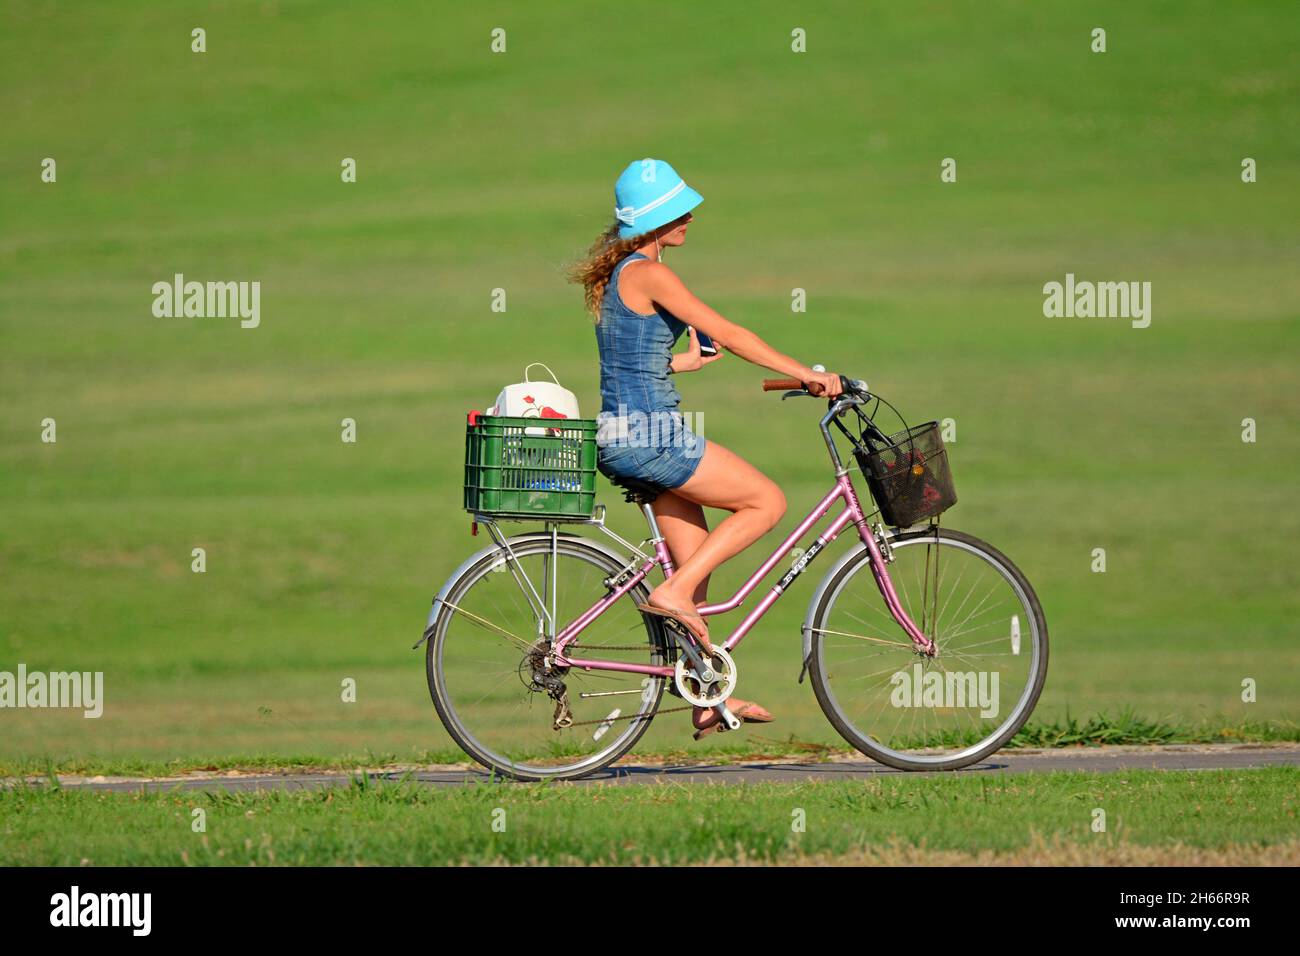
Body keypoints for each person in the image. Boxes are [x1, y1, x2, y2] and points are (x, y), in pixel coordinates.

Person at [569, 159, 843, 738]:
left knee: (695, 575)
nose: (689, 217)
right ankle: (667, 593)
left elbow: (628, 362)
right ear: (654, 220)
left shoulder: (621, 272)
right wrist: (809, 374)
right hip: (651, 436)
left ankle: (704, 693)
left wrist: (682, 363)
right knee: (766, 502)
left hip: (621, 434)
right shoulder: (649, 273)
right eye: (677, 210)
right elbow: (735, 334)